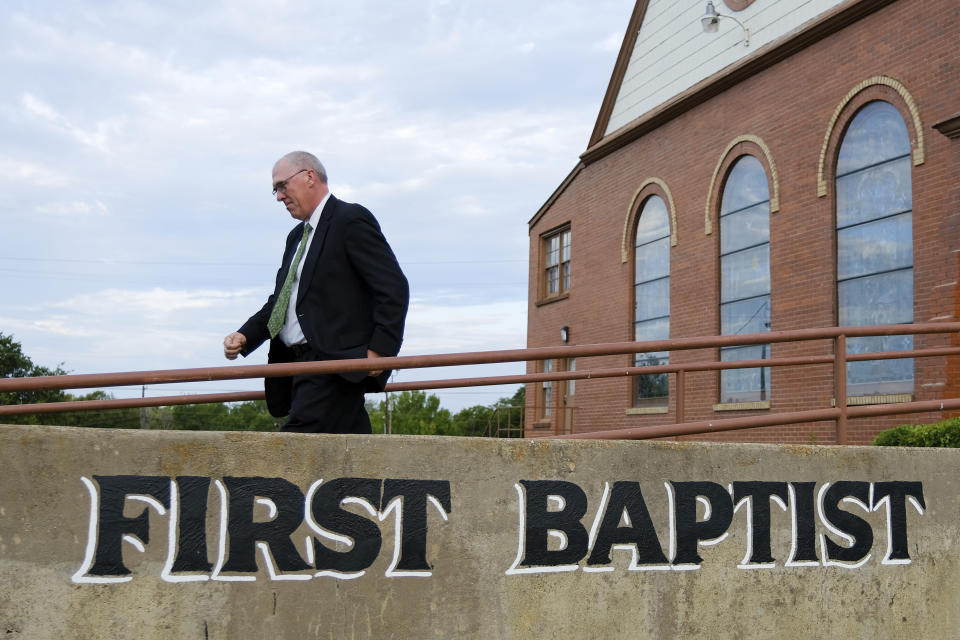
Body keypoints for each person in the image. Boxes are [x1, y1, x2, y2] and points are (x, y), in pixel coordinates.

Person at [223, 151, 408, 433]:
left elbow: (393, 287)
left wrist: (380, 351)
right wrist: (246, 335)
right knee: (347, 457)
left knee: (295, 452)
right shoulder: (297, 236)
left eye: (282, 186)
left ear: (309, 176)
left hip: (334, 365)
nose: (279, 197)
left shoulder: (350, 219)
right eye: (275, 190)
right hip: (297, 367)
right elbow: (282, 301)